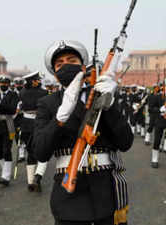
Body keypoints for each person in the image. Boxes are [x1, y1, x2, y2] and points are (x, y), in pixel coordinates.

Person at [33, 40, 133, 225]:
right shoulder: (48, 104)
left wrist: (108, 105)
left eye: (71, 60)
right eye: (60, 64)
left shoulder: (103, 95)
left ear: (83, 67)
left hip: (106, 192)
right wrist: (60, 118)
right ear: (55, 75)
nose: (66, 66)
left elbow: (125, 142)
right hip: (69, 199)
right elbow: (40, 151)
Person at [17, 71, 49, 192]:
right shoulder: (44, 92)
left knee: (30, 152)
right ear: (33, 81)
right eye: (38, 80)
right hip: (40, 124)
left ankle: (30, 181)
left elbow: (20, 109)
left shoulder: (21, 93)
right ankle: (38, 177)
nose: (39, 81)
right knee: (43, 150)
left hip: (26, 125)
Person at [0, 74, 19, 186]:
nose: (3, 85)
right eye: (1, 83)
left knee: (7, 149)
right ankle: (5, 170)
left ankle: (5, 177)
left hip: (9, 123)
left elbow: (12, 110)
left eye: (5, 83)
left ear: (9, 84)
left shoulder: (13, 95)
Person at [13, 77, 26, 163]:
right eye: (17, 84)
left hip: (24, 115)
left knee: (24, 134)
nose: (19, 85)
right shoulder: (12, 93)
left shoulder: (26, 92)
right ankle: (22, 153)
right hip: (14, 116)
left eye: (20, 84)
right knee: (17, 136)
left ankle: (23, 153)